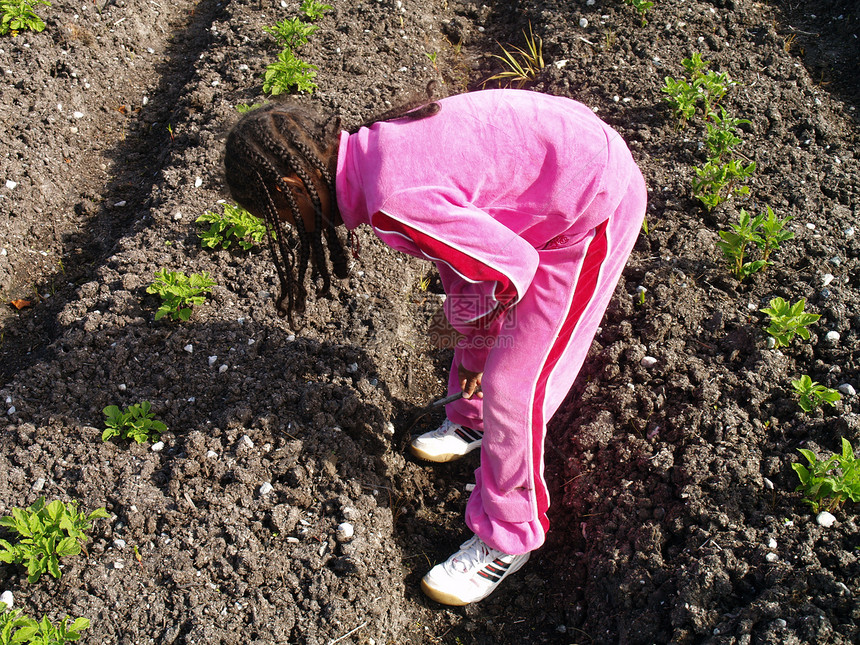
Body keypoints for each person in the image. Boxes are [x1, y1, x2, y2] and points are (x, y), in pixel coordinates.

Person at [224, 89, 647, 606]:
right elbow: (462, 263)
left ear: (295, 185)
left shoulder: (392, 199)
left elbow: (512, 268)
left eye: (285, 216)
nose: (293, 227)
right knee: (476, 338)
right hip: (551, 185)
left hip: (588, 210)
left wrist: (487, 352)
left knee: (515, 385)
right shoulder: (374, 153)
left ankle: (510, 536)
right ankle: (470, 417)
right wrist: (469, 351)